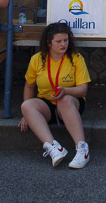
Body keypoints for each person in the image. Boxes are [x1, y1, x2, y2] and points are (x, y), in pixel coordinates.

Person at [18, 21, 91, 169]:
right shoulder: (37, 59)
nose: (63, 44)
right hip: (46, 103)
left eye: (66, 40)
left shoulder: (76, 58)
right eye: (58, 41)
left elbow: (83, 90)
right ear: (49, 43)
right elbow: (29, 85)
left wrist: (66, 90)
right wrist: (26, 115)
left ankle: (82, 149)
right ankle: (54, 148)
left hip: (70, 101)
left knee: (64, 100)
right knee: (26, 105)